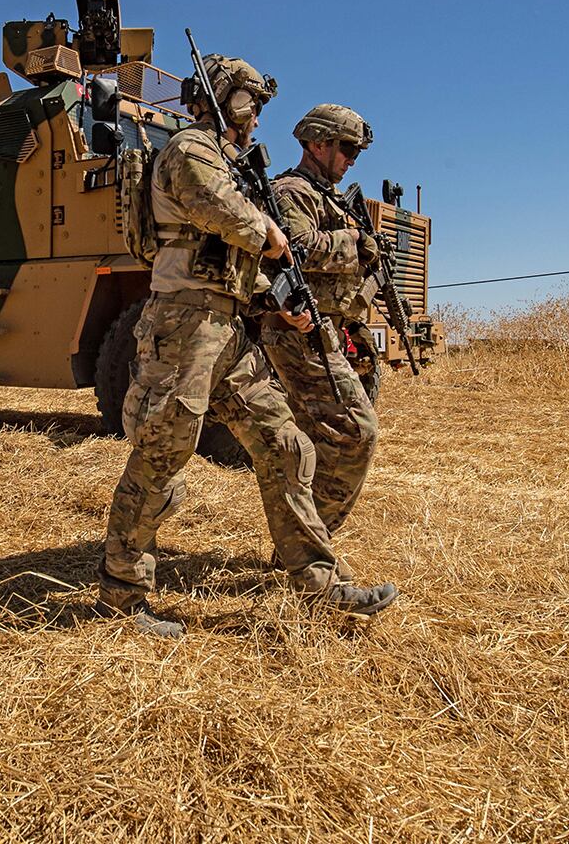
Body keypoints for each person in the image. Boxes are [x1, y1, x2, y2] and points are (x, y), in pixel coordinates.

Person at [96, 57, 398, 637]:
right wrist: (272, 234)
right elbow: (224, 214)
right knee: (162, 456)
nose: (258, 117)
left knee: (286, 445)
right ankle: (122, 594)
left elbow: (232, 264)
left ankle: (316, 582)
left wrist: (274, 299)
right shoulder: (190, 151)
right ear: (223, 99)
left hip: (230, 328)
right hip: (183, 326)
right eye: (251, 104)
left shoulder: (230, 162)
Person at [260, 105, 384, 578]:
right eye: (346, 148)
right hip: (297, 332)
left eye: (356, 151)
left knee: (321, 442)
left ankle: (302, 554)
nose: (352, 159)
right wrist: (355, 242)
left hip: (328, 330)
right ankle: (309, 552)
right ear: (317, 144)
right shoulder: (291, 192)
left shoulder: (328, 197)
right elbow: (296, 248)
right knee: (356, 434)